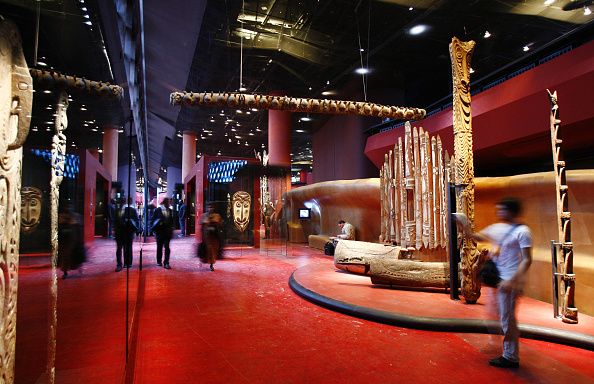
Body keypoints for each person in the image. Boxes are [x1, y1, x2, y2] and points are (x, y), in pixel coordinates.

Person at [453, 196, 533, 368]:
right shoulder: (497, 228)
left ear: (511, 211)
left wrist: (513, 281)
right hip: (497, 279)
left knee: (507, 319)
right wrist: (463, 223)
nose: (499, 212)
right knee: (495, 315)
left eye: (502, 209)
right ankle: (502, 346)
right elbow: (475, 237)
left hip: (509, 280)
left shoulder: (523, 232)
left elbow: (527, 260)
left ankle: (510, 357)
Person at [58, 203, 85, 279]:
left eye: (70, 206)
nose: (68, 208)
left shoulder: (76, 216)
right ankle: (65, 271)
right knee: (65, 256)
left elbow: (79, 228)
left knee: (73, 254)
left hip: (73, 239)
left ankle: (77, 266)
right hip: (64, 240)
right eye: (67, 206)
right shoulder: (61, 216)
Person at [114, 197, 139, 271]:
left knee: (127, 248)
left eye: (119, 202)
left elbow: (136, 220)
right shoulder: (117, 210)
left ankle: (127, 263)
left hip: (128, 232)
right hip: (119, 232)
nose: (118, 203)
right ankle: (119, 264)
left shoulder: (131, 210)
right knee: (119, 249)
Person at [150, 197, 175, 269]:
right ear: (164, 203)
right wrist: (152, 229)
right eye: (168, 203)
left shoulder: (170, 211)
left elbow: (171, 220)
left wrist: (171, 228)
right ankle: (159, 261)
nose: (169, 204)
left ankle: (166, 262)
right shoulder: (157, 210)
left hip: (167, 232)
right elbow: (153, 219)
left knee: (167, 247)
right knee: (159, 247)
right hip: (160, 232)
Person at [200, 203, 223, 271]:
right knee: (208, 249)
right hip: (206, 236)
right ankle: (208, 262)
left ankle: (211, 264)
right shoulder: (203, 216)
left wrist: (215, 222)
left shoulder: (217, 216)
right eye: (208, 207)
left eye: (211, 207)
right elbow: (201, 226)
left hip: (214, 236)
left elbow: (221, 223)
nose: (210, 209)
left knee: (213, 250)